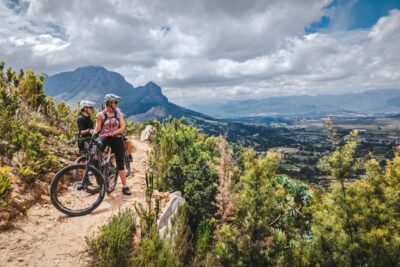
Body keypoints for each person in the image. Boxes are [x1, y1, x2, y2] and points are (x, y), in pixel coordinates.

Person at [94, 94, 132, 195]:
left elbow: (122, 127)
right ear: (109, 103)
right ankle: (100, 172)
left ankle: (125, 186)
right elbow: (97, 129)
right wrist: (93, 137)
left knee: (120, 163)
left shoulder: (119, 114)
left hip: (117, 138)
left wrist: (112, 133)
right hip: (105, 137)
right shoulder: (100, 115)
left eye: (116, 102)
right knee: (94, 152)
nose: (116, 104)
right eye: (115, 102)